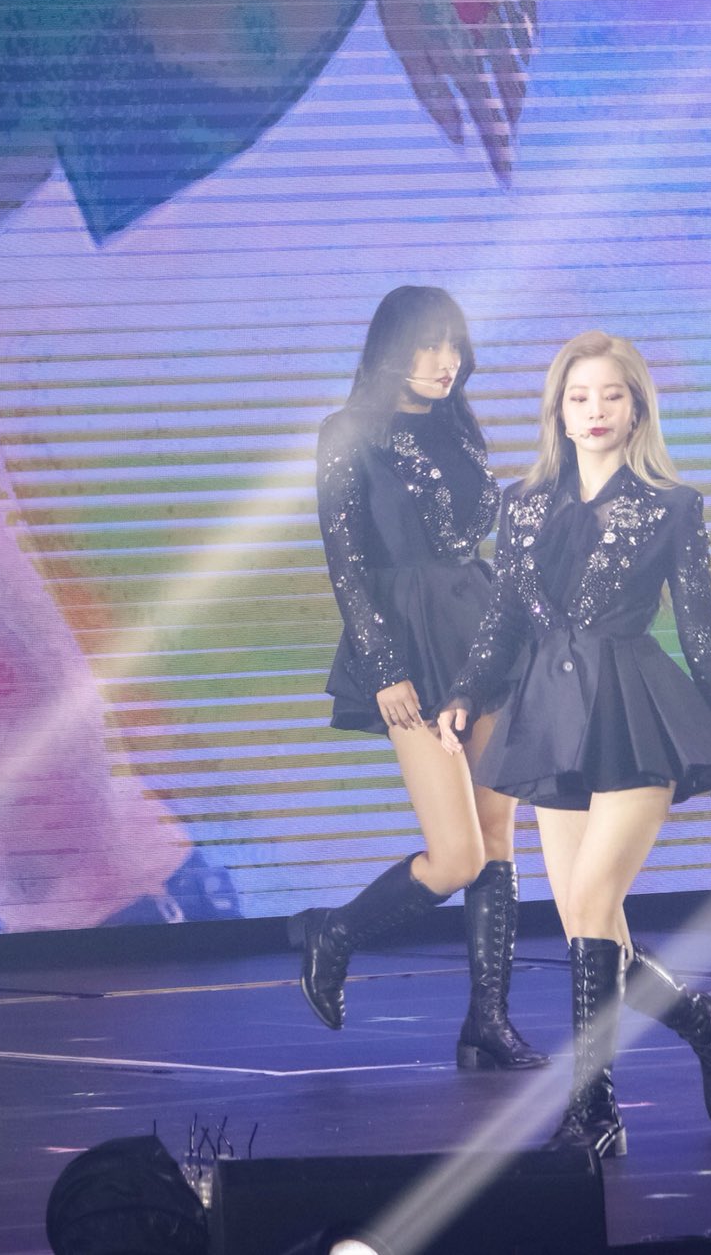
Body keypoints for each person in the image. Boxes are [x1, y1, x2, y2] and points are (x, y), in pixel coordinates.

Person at [437, 331, 711, 1158]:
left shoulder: (671, 505)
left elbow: (702, 631)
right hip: (550, 718)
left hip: (635, 711)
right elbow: (503, 620)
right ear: (558, 410)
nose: (595, 411)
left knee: (590, 910)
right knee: (589, 922)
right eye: (579, 397)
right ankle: (704, 1022)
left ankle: (592, 1111)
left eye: (612, 394)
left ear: (638, 407)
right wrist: (466, 691)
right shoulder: (522, 505)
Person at [287, 287, 546, 1071]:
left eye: (454, 346)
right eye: (430, 346)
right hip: (408, 642)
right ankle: (335, 932)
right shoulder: (347, 433)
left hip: (482, 631)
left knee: (497, 841)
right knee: (456, 856)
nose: (446, 363)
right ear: (392, 349)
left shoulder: (459, 426)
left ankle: (487, 1021)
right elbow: (346, 565)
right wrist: (384, 668)